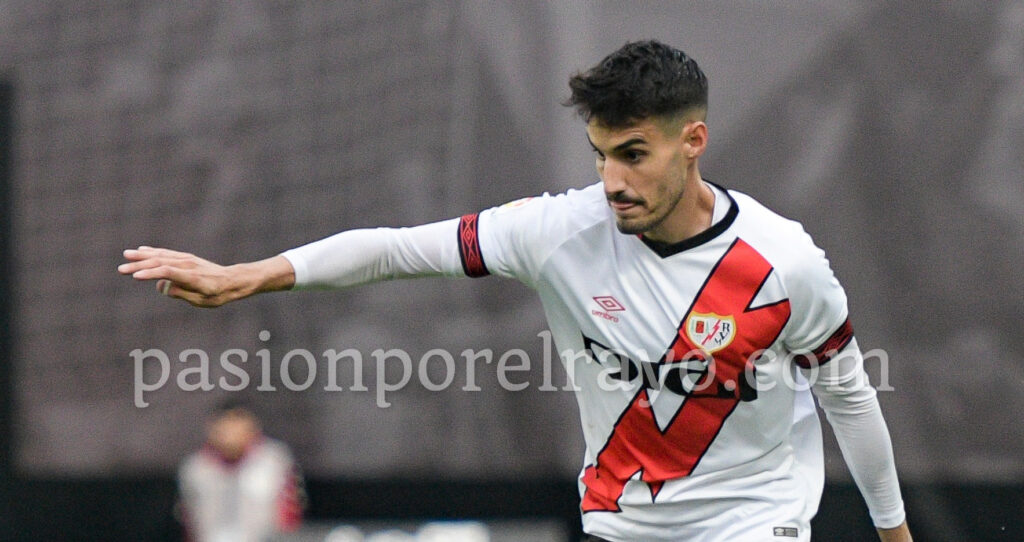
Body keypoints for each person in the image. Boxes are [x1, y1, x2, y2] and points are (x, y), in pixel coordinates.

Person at [122, 40, 912, 542]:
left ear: (692, 141)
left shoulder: (784, 263)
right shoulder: (558, 232)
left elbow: (848, 398)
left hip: (755, 518)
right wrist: (248, 275)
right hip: (622, 523)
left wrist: (893, 530)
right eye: (601, 155)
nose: (612, 182)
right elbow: (396, 250)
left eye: (633, 154)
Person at [177, 401, 304, 542]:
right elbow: (188, 520)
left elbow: (290, 514)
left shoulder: (274, 461)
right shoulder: (195, 468)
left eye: (237, 425)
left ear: (252, 427)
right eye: (225, 427)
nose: (231, 433)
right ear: (212, 429)